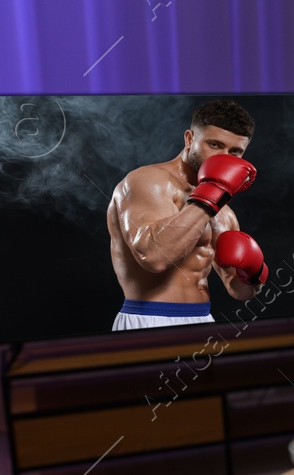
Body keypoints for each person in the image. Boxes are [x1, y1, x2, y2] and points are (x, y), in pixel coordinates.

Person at [106, 99, 270, 330]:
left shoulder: (225, 212)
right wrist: (212, 194)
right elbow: (153, 257)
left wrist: (254, 273)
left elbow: (238, 291)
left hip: (203, 320)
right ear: (190, 139)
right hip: (149, 320)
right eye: (214, 144)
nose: (224, 157)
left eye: (235, 151)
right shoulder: (147, 181)